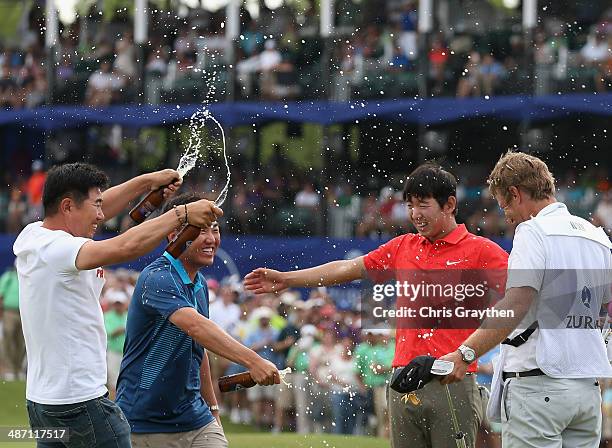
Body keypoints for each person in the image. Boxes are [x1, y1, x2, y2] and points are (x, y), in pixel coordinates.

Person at [244, 162, 509, 448]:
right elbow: (347, 268)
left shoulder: (482, 250)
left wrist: (468, 354)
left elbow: (521, 302)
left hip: (451, 380)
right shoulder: (403, 246)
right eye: (409, 205)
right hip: (402, 379)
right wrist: (287, 279)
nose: (415, 214)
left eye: (423, 204)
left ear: (449, 205)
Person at [13, 162, 222, 448]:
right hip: (81, 402)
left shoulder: (35, 234)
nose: (101, 214)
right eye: (95, 205)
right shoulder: (59, 249)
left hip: (43, 405)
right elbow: (125, 248)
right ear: (67, 207)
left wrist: (146, 181)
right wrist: (180, 214)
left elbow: (102, 206)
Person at [440, 151, 612, 448]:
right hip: (586, 390)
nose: (505, 214)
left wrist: (465, 353)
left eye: (503, 204)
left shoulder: (532, 231)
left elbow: (516, 304)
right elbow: (604, 309)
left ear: (516, 194)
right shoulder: (597, 235)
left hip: (538, 385)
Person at [116, 193, 279, 448]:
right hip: (144, 423)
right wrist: (253, 361)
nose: (211, 239)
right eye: (201, 230)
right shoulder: (157, 278)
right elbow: (196, 326)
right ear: (173, 235)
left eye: (214, 230)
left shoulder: (199, 284)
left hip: (195, 418)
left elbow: (198, 347)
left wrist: (213, 410)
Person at [104, 288, 130, 399]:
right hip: (114, 352)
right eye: (116, 304)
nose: (118, 306)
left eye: (120, 304)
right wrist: (122, 329)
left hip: (127, 352)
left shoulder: (129, 315)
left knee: (127, 380)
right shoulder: (108, 316)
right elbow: (109, 333)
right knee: (113, 382)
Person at [0, 262, 24, 380]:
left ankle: (18, 368)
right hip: (9, 312)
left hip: (24, 313)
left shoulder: (27, 277)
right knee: (9, 338)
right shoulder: (8, 276)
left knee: (22, 342)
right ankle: (10, 369)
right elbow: (1, 295)